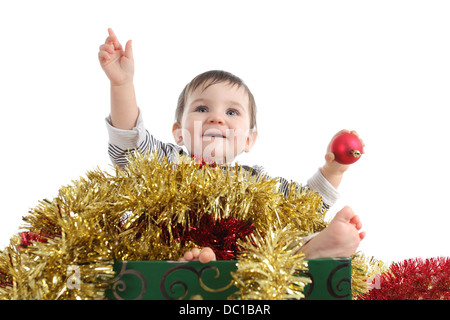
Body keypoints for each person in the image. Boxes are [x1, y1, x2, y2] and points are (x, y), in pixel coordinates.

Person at [98, 28, 366, 263]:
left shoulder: (255, 182)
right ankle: (189, 264)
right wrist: (122, 84)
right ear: (178, 133)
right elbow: (129, 145)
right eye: (202, 108)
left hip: (242, 263)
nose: (216, 118)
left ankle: (312, 250)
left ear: (249, 140)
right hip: (171, 249)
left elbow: (303, 205)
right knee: (146, 240)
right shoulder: (167, 161)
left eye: (232, 113)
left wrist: (334, 170)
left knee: (281, 238)